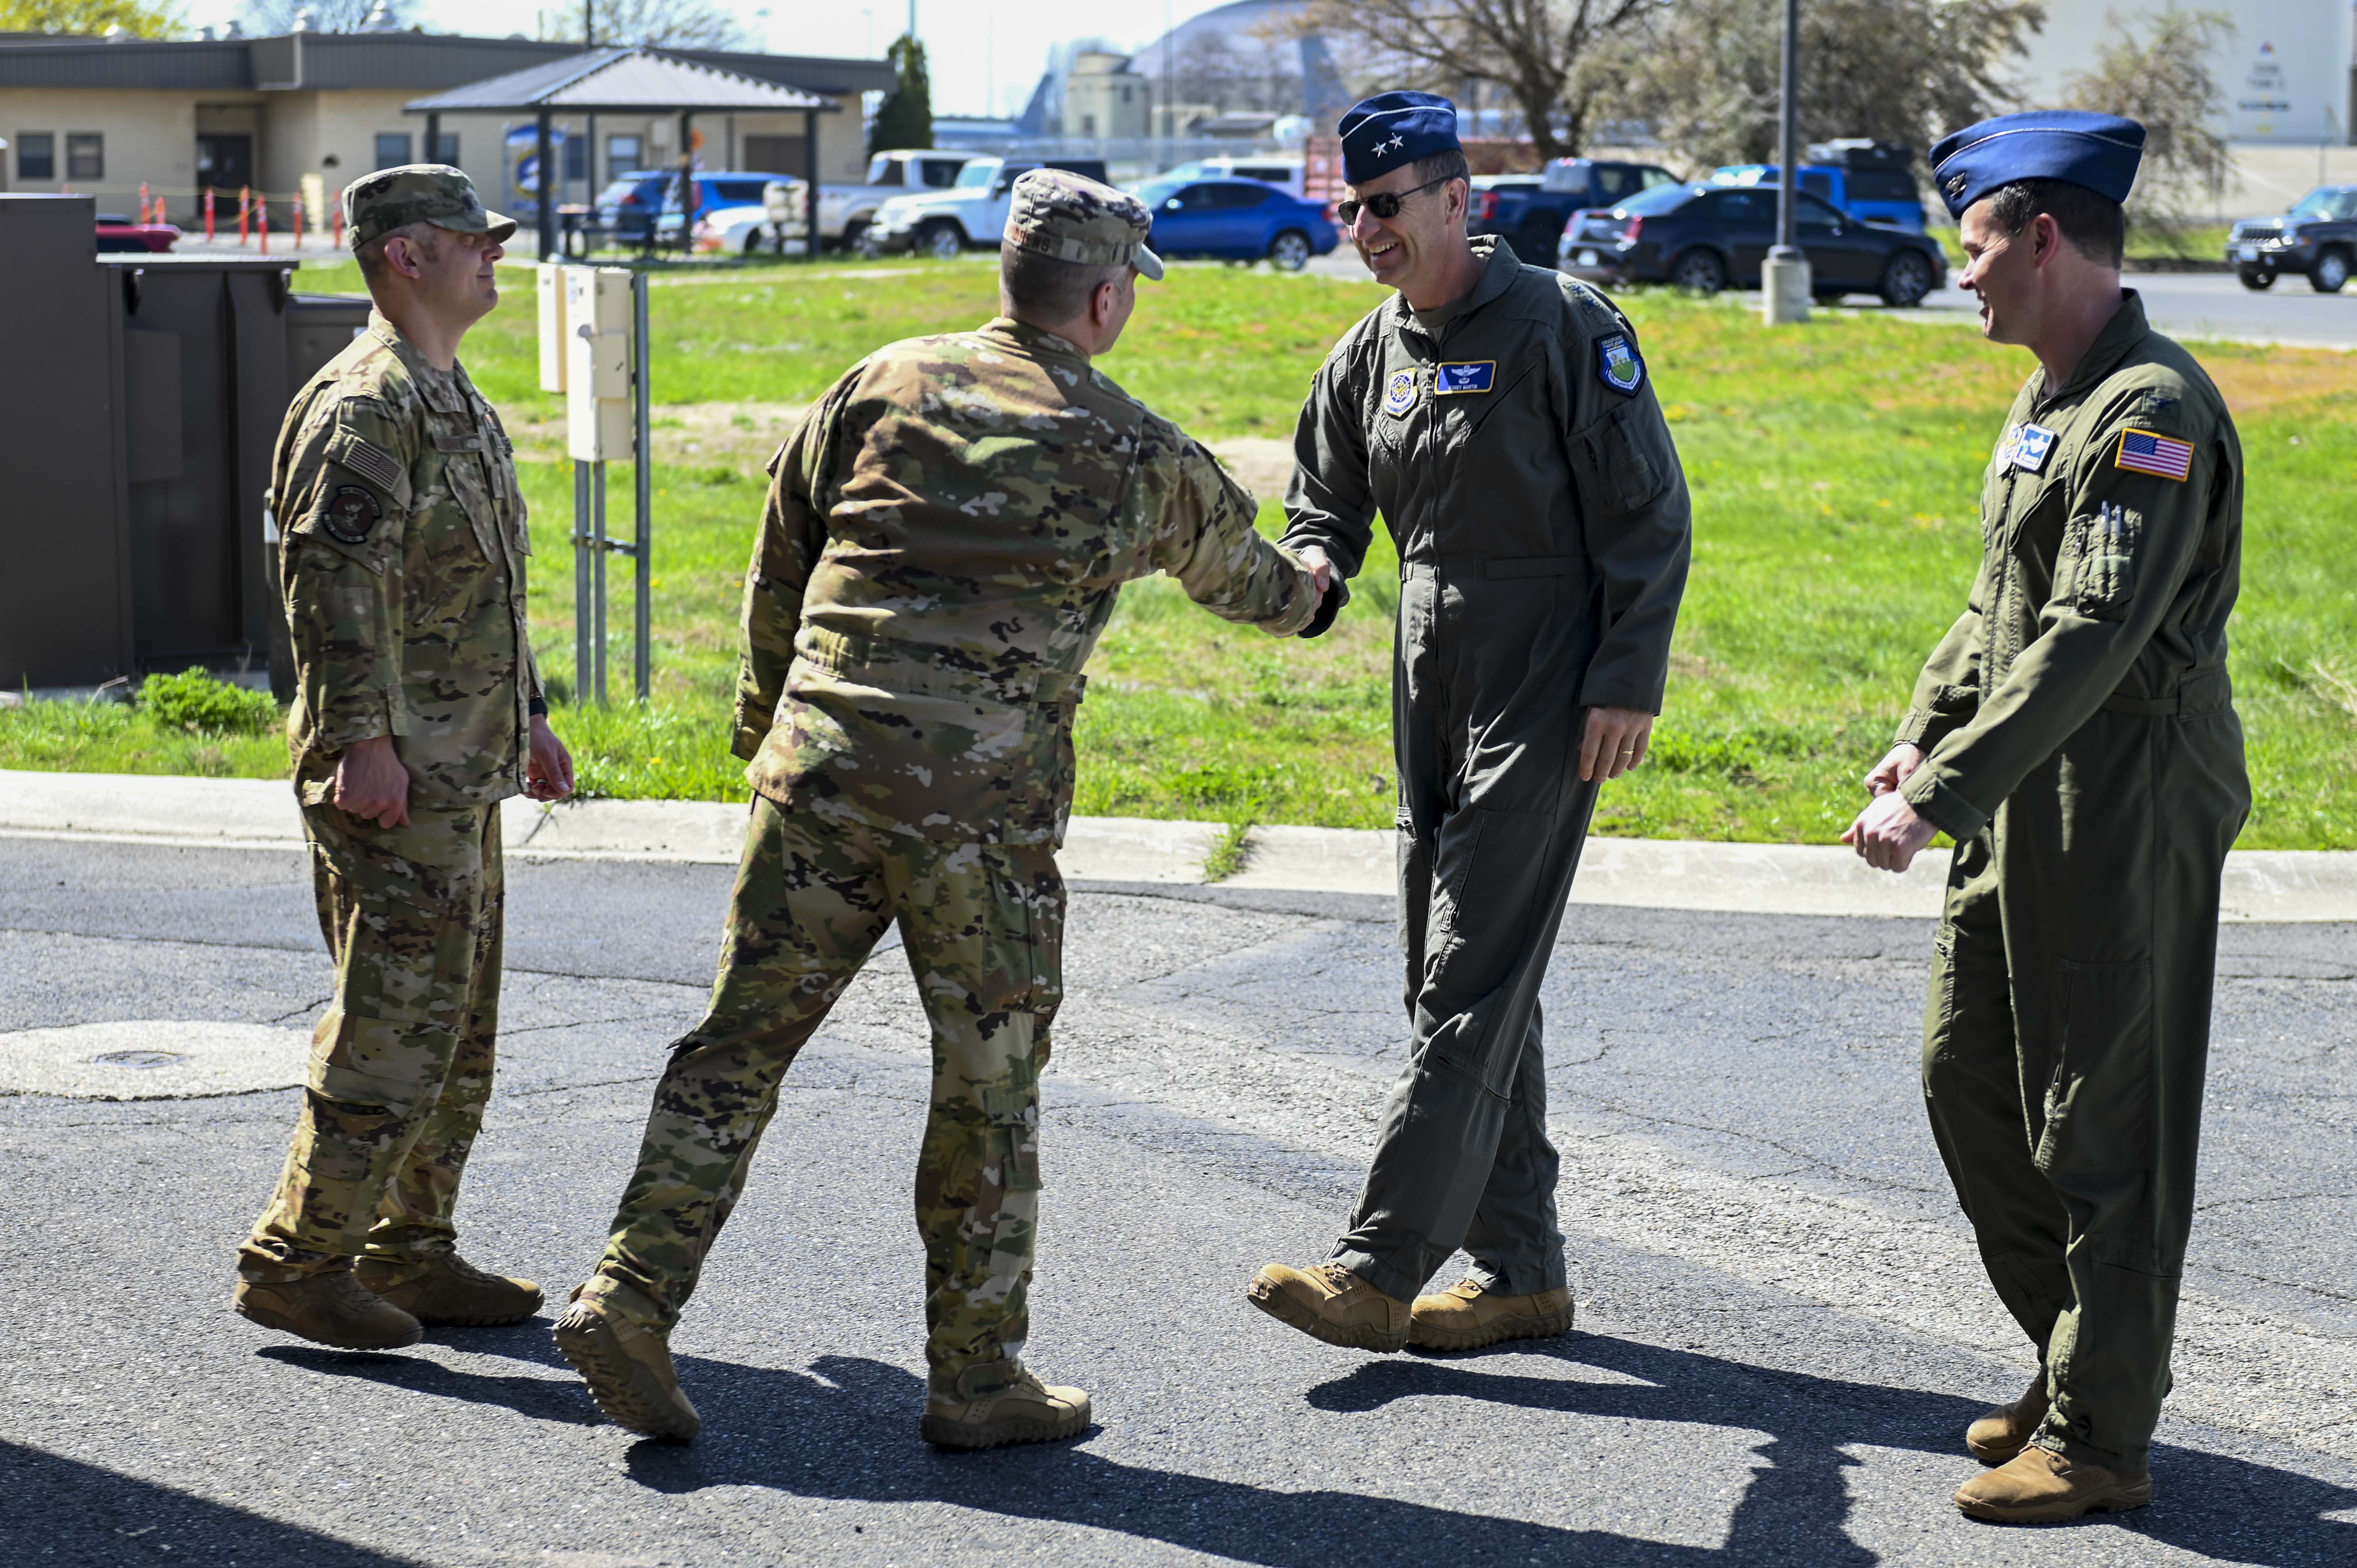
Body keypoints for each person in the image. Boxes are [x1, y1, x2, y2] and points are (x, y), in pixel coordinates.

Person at [553, 170, 1326, 1449]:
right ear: (1106, 293)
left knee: (736, 1050)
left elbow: (782, 552)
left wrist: (767, 724)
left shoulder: (882, 382)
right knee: (987, 1086)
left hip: (819, 778)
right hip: (979, 824)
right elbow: (1253, 585)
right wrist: (1316, 582)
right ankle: (977, 1378)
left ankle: (626, 1292)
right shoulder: (1128, 445)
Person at [1842, 112, 2248, 1524]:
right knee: (1970, 1080)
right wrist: (1915, 737)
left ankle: (2100, 1432)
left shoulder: (2148, 410)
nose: (1960, 276)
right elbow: (1993, 604)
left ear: (2045, 238)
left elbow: (2091, 631)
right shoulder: (2050, 399)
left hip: (2120, 794)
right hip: (2019, 785)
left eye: (1973, 247)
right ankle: (2074, 1356)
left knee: (2103, 1119)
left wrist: (1944, 791)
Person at [1247, 93, 1691, 1354]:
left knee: (1471, 968)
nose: (1361, 227)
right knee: (1449, 971)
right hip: (1426, 667)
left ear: (1456, 199)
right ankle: (1521, 1271)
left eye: (1383, 205)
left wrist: (1626, 676)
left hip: (1544, 671)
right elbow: (1322, 494)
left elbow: (1648, 518)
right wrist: (1317, 566)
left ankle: (1379, 1263)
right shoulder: (1369, 349)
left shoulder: (1561, 326)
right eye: (1349, 206)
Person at [235, 165, 574, 1350]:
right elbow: (330, 590)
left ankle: (409, 1248)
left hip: (461, 762)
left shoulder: (449, 392)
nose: (494, 255)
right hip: (395, 772)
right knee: (393, 1021)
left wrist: (527, 715)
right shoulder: (363, 405)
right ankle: (300, 1257)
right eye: (471, 240)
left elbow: (478, 582)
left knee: (457, 1029)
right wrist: (357, 742)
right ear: (405, 257)